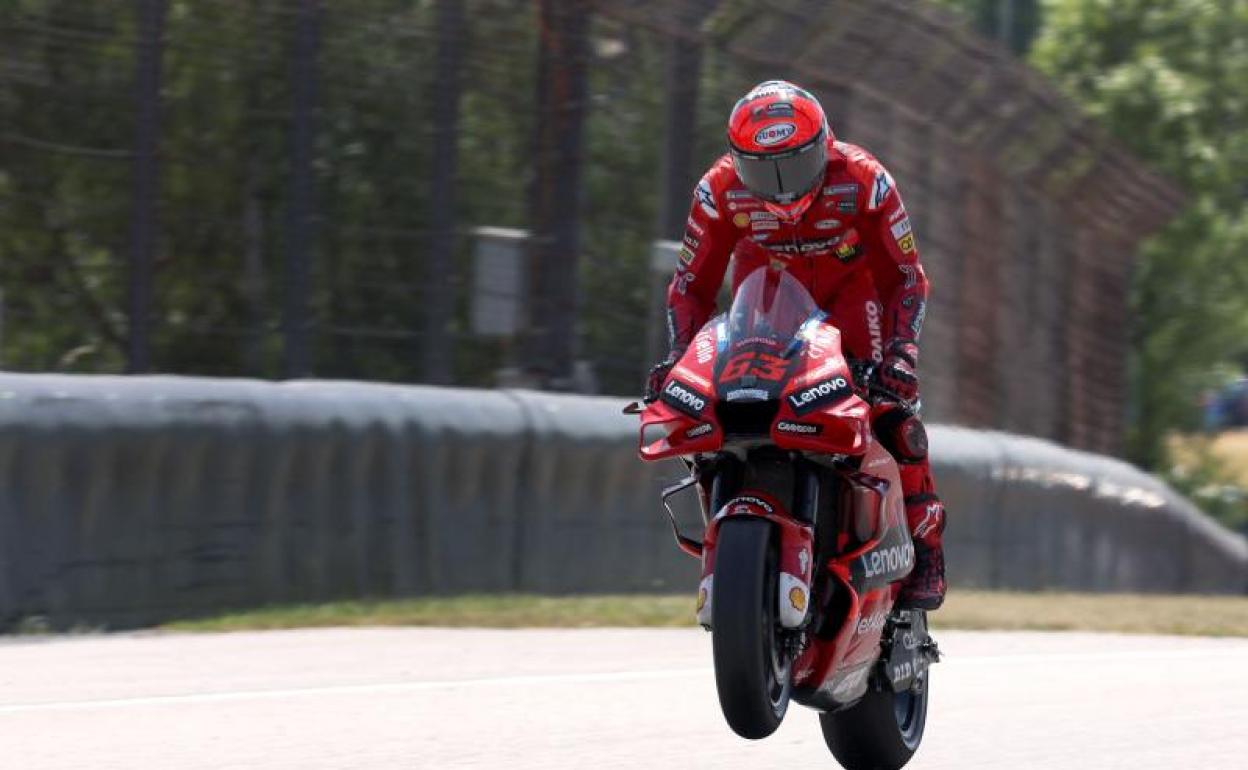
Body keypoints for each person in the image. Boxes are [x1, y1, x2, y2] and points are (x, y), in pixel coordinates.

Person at [645, 80, 946, 609]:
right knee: (714, 411)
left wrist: (902, 353)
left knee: (889, 410)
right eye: (764, 171)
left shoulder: (865, 181)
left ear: (824, 146)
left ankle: (926, 549)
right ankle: (730, 517)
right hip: (766, 304)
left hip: (854, 301)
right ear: (737, 162)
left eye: (794, 166)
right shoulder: (716, 192)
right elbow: (689, 288)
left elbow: (906, 278)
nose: (782, 190)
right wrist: (678, 358)